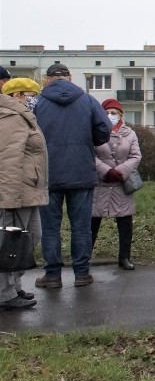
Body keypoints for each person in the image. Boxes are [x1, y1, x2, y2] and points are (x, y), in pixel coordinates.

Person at [33, 63, 112, 289]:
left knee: (50, 227)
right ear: (69, 78)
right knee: (81, 226)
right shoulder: (87, 100)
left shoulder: (38, 103)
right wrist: (90, 142)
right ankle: (82, 273)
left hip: (49, 174)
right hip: (81, 172)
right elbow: (105, 129)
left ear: (48, 79)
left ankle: (53, 275)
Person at [0, 78, 47, 311]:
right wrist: (9, 199)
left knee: (29, 239)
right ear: (17, 95)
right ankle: (5, 293)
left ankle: (15, 286)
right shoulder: (10, 116)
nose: (33, 99)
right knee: (11, 244)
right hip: (16, 194)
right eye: (30, 94)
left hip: (29, 189)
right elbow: (8, 159)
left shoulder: (22, 116)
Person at [91, 99, 142, 271]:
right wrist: (105, 171)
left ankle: (125, 257)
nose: (110, 116)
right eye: (107, 112)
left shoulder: (130, 134)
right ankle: (84, 258)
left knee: (125, 222)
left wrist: (120, 171)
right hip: (100, 183)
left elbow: (136, 156)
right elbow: (90, 155)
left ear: (120, 114)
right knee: (92, 222)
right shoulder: (94, 131)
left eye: (114, 112)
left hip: (122, 183)